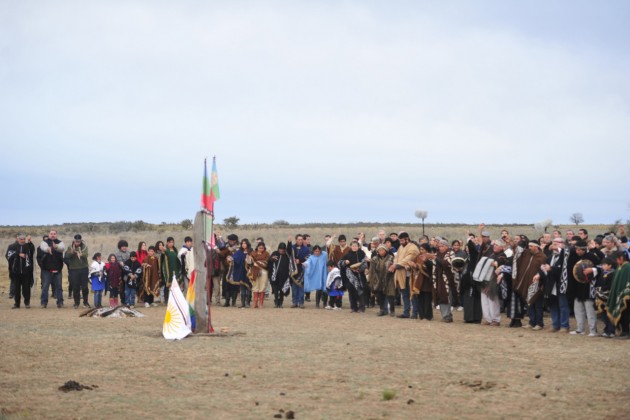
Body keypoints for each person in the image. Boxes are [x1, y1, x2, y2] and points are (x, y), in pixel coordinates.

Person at [567, 240, 601, 336]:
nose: (577, 251)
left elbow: (601, 267)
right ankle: (580, 329)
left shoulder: (592, 257)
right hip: (577, 286)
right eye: (576, 249)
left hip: (588, 286)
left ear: (584, 249)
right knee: (578, 308)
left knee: (589, 309)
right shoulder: (574, 257)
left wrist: (593, 269)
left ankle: (593, 330)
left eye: (579, 250)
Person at [514, 240, 547, 331]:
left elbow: (543, 270)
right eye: (529, 246)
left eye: (531, 246)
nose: (529, 248)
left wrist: (539, 276)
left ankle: (539, 323)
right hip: (526, 283)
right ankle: (531, 322)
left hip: (537, 284)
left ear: (536, 247)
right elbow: (517, 254)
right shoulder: (527, 254)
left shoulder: (542, 257)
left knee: (537, 304)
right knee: (529, 304)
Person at [541, 237, 571, 332]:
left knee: (563, 305)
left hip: (561, 284)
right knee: (553, 305)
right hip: (551, 284)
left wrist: (551, 269)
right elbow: (546, 267)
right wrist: (544, 269)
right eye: (553, 243)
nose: (554, 245)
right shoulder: (550, 257)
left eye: (557, 243)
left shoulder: (566, 255)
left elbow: (563, 269)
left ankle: (564, 325)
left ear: (562, 244)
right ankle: (555, 325)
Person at [390, 232, 420, 319]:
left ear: (407, 239)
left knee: (413, 294)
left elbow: (408, 259)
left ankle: (414, 313)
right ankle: (406, 312)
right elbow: (396, 258)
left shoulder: (413, 248)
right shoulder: (400, 247)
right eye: (400, 240)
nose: (401, 242)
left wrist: (396, 265)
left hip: (411, 275)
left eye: (402, 240)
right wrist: (395, 264)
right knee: (404, 294)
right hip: (401, 274)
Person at [5, 233, 35, 309]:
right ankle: (17, 303)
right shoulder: (12, 246)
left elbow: (33, 251)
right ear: (17, 239)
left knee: (26, 289)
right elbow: (8, 255)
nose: (22, 240)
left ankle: (27, 303)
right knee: (16, 289)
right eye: (21, 239)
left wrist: (30, 242)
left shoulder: (28, 246)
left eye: (23, 239)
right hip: (16, 271)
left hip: (26, 271)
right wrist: (18, 254)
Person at [339, 240, 368, 313]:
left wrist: (359, 269)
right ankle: (353, 307)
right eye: (353, 246)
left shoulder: (362, 254)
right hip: (350, 276)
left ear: (358, 247)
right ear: (351, 247)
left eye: (356, 246)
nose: (354, 247)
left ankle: (361, 308)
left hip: (359, 275)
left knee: (360, 291)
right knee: (351, 292)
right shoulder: (347, 255)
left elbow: (365, 264)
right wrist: (345, 262)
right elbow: (339, 263)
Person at [39, 229, 66, 309]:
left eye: (54, 234)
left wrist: (56, 246)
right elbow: (43, 247)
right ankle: (44, 303)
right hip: (46, 269)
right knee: (45, 287)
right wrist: (48, 249)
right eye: (51, 234)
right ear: (49, 234)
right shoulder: (44, 242)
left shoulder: (60, 242)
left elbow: (62, 248)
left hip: (57, 269)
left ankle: (60, 302)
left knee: (59, 287)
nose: (52, 235)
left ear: (56, 234)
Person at [606, 251, 630, 339]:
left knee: (625, 314)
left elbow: (627, 281)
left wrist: (625, 293)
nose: (616, 261)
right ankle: (622, 331)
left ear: (621, 258)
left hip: (626, 296)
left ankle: (626, 332)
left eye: (616, 259)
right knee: (622, 314)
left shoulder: (627, 267)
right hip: (619, 295)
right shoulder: (620, 267)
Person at [431, 239, 456, 322]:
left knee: (446, 296)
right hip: (438, 278)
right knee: (440, 296)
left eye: (442, 246)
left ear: (446, 246)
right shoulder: (437, 254)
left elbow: (447, 263)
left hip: (447, 278)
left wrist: (435, 258)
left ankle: (447, 315)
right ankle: (444, 315)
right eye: (439, 246)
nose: (440, 248)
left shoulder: (451, 253)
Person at [65, 234, 90, 309]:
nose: (77, 243)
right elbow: (66, 256)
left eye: (79, 241)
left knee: (85, 287)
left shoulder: (84, 247)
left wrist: (81, 254)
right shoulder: (70, 247)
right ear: (74, 240)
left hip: (84, 269)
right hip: (74, 269)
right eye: (76, 241)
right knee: (75, 287)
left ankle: (85, 302)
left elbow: (86, 255)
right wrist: (71, 252)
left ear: (81, 241)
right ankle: (76, 302)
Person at [369, 244, 395, 316]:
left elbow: (394, 268)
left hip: (389, 278)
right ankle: (382, 310)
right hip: (378, 279)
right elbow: (371, 270)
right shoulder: (374, 259)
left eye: (382, 250)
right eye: (379, 250)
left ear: (386, 250)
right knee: (380, 295)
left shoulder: (391, 258)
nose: (381, 251)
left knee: (390, 295)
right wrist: (370, 280)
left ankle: (392, 311)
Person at [595, 257, 617, 338]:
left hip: (608, 297)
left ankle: (611, 331)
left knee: (609, 314)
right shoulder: (602, 273)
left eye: (604, 265)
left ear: (610, 265)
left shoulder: (613, 274)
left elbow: (610, 286)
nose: (603, 266)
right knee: (603, 314)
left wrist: (603, 289)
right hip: (601, 297)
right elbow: (598, 283)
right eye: (602, 265)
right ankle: (606, 330)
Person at [228, 239, 253, 308]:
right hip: (240, 271)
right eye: (242, 243)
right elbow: (234, 258)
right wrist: (230, 258)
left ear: (247, 244)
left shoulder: (251, 252)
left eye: (245, 243)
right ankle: (242, 303)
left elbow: (253, 261)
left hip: (248, 272)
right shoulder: (239, 252)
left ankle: (248, 303)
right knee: (242, 287)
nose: (243, 244)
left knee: (248, 287)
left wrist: (249, 260)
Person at [268, 242, 294, 308]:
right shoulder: (275, 253)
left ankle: (281, 303)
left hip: (284, 276)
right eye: (280, 249)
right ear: (278, 249)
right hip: (274, 276)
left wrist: (289, 243)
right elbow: (269, 262)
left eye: (283, 249)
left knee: (282, 290)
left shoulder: (287, 255)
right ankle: (276, 302)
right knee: (275, 290)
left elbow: (289, 249)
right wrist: (271, 259)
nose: (282, 251)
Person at [288, 234, 310, 308]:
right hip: (293, 270)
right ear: (296, 240)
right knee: (294, 287)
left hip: (302, 269)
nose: (300, 241)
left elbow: (308, 257)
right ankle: (294, 302)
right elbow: (288, 253)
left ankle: (301, 303)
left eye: (301, 239)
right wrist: (289, 242)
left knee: (301, 287)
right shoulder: (292, 247)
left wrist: (300, 260)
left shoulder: (306, 249)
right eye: (298, 239)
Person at [219, 234, 240, 307]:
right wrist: (227, 250)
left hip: (236, 269)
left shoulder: (239, 248)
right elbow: (220, 254)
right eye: (229, 240)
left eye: (231, 240)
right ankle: (227, 301)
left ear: (235, 241)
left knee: (235, 285)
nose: (230, 241)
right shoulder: (226, 247)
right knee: (226, 285)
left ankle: (233, 301)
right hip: (227, 269)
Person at [248, 242, 270, 308]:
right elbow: (250, 262)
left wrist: (256, 262)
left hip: (263, 271)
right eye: (259, 248)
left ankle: (261, 303)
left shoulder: (266, 254)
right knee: (255, 286)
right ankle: (255, 303)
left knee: (262, 286)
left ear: (264, 248)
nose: (261, 249)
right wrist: (248, 260)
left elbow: (266, 262)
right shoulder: (253, 253)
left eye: (262, 248)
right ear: (257, 247)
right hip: (254, 271)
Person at [162, 237, 181, 304]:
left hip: (175, 269)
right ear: (167, 243)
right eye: (170, 242)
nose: (171, 243)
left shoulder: (175, 250)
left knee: (176, 285)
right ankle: (167, 300)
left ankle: (175, 300)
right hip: (168, 270)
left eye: (172, 242)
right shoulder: (165, 250)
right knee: (168, 286)